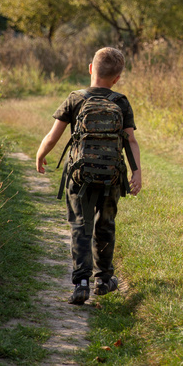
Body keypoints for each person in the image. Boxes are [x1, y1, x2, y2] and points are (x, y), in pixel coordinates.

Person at [36, 47, 142, 305]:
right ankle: (104, 280)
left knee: (80, 226)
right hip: (112, 177)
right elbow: (131, 141)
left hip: (79, 176)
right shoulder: (121, 101)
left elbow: (54, 136)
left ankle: (81, 282)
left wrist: (40, 155)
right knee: (105, 225)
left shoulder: (75, 98)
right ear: (117, 78)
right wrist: (137, 172)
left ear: (90, 68)